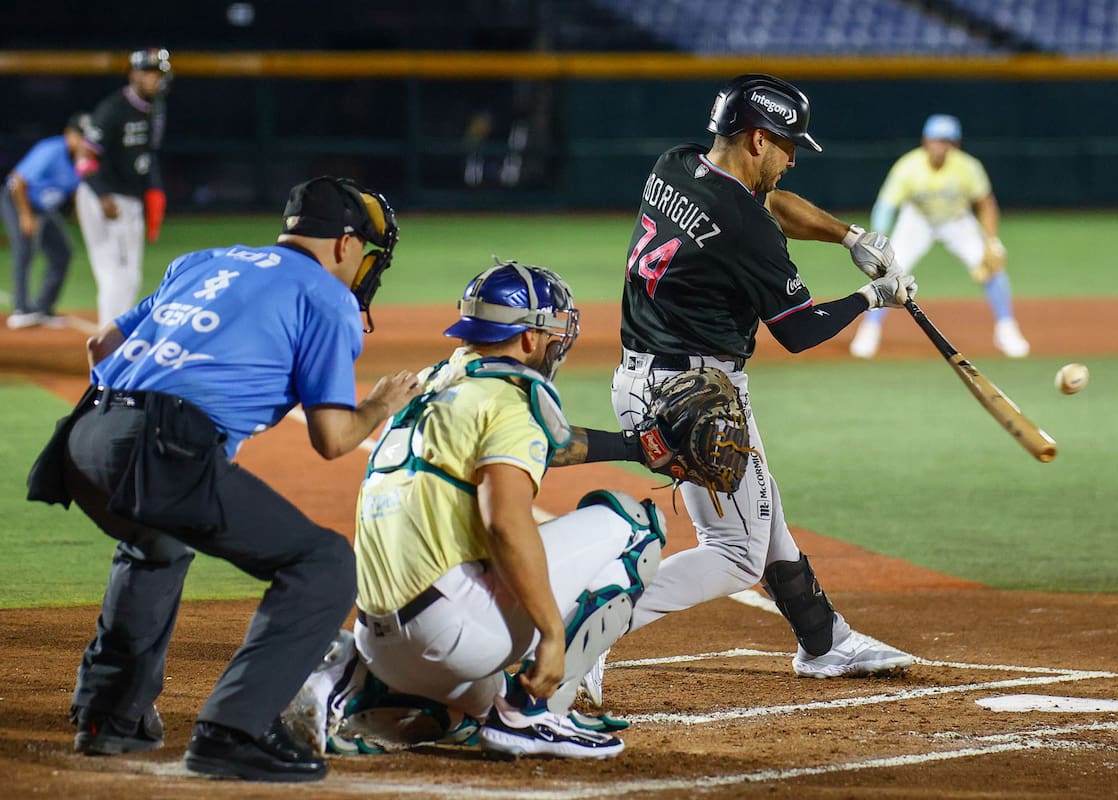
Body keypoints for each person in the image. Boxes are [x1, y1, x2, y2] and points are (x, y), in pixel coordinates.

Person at [26, 175, 419, 782]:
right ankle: (233, 731)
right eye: (366, 252)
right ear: (344, 244)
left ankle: (111, 719)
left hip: (83, 434)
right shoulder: (326, 296)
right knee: (323, 565)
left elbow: (101, 342)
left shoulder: (205, 260)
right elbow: (332, 439)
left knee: (156, 541)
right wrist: (380, 404)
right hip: (157, 446)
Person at [597, 73, 918, 703]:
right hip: (693, 395)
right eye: (788, 145)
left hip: (649, 375)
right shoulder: (745, 229)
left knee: (763, 521)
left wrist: (851, 237)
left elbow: (770, 204)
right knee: (736, 553)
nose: (794, 157)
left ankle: (825, 641)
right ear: (756, 139)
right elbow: (798, 331)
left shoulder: (677, 164)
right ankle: (589, 623)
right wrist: (872, 296)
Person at [282, 260, 667, 760]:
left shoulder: (432, 382)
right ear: (528, 338)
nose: (558, 342)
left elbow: (548, 445)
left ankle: (352, 685)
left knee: (471, 714)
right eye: (551, 329)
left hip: (378, 636)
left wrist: (641, 447)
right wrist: (551, 632)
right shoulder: (510, 398)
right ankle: (537, 713)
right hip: (449, 633)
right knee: (634, 528)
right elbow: (505, 523)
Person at [848, 113, 1029, 359]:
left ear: (955, 144)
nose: (940, 146)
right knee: (889, 271)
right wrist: (880, 237)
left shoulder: (968, 167)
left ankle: (1006, 328)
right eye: (935, 140)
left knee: (992, 266)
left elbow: (986, 203)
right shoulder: (908, 166)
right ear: (925, 141)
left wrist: (992, 241)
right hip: (917, 220)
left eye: (946, 141)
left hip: (957, 221)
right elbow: (886, 205)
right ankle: (870, 329)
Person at [76, 47, 171, 326]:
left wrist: (154, 193)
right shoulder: (112, 109)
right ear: (135, 74)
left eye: (159, 73)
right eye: (150, 72)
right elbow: (84, 159)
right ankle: (108, 344)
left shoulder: (156, 110)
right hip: (100, 197)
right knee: (113, 274)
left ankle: (116, 336)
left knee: (132, 277)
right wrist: (102, 195)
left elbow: (149, 155)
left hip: (130, 199)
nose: (156, 79)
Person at [2, 112, 91, 329]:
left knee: (63, 252)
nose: (84, 142)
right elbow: (17, 181)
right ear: (68, 134)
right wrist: (25, 215)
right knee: (25, 249)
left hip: (44, 207)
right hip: (18, 200)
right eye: (80, 136)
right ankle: (22, 309)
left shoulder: (86, 159)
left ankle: (42, 308)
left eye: (88, 137)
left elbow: (77, 188)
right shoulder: (50, 150)